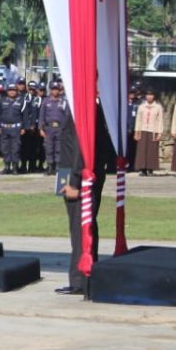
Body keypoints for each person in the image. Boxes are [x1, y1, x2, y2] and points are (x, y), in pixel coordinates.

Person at [57, 101, 117, 295]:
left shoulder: (84, 109)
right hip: (75, 174)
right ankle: (84, 275)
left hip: (78, 178)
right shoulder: (87, 108)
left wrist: (74, 182)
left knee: (80, 227)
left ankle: (81, 279)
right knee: (81, 226)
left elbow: (80, 149)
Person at [38, 81, 68, 174]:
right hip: (49, 128)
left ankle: (58, 167)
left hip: (60, 128)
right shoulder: (46, 101)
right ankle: (50, 167)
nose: (55, 91)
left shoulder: (63, 101)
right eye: (53, 89)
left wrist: (65, 128)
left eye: (57, 89)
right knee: (49, 147)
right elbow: (41, 115)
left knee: (59, 147)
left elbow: (67, 115)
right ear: (50, 90)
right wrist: (41, 128)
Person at [133, 90, 164, 176]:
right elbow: (138, 119)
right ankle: (142, 168)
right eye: (148, 95)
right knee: (142, 150)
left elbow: (160, 120)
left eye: (151, 95)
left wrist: (159, 132)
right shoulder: (142, 107)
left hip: (153, 130)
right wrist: (137, 131)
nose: (149, 97)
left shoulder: (158, 107)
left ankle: (150, 168)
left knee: (152, 150)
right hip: (143, 130)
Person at [0, 83, 24, 175]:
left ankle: (15, 168)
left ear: (17, 91)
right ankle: (6, 167)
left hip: (16, 128)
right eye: (10, 90)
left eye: (14, 90)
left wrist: (24, 127)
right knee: (5, 148)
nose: (12, 92)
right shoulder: (1, 101)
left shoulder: (21, 101)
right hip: (4, 128)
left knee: (15, 149)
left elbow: (25, 116)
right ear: (7, 91)